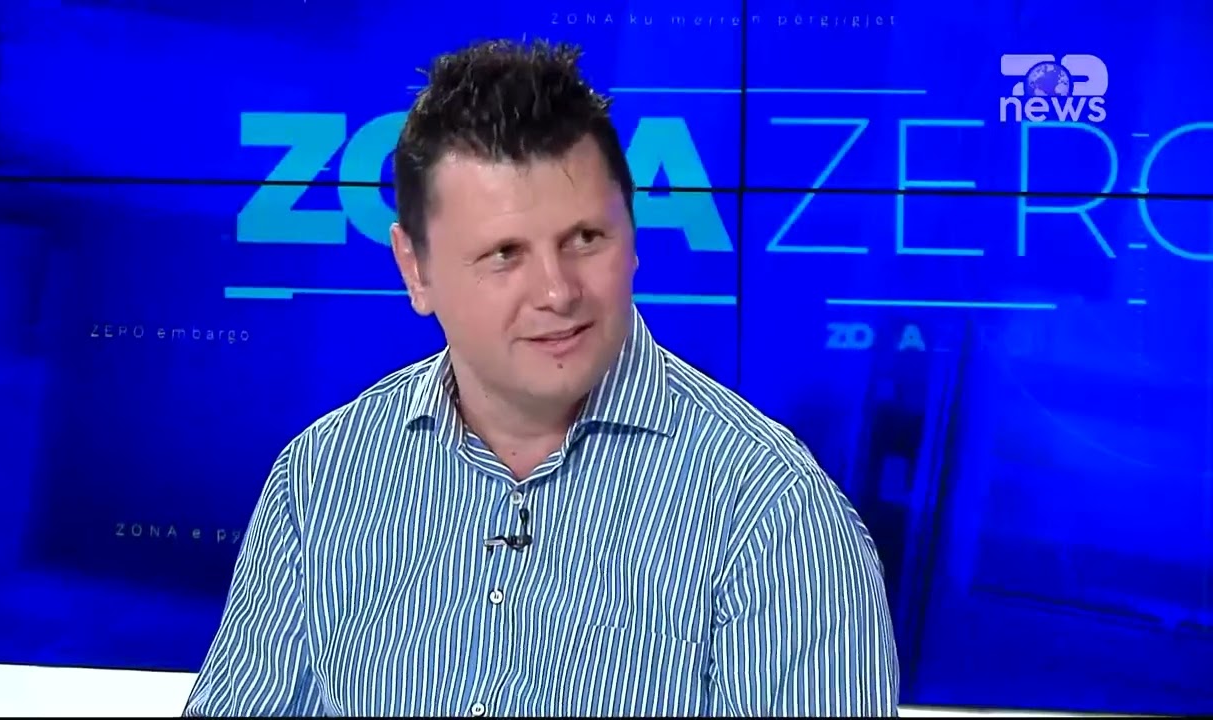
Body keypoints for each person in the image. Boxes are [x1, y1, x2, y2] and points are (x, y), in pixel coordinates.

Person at [183, 38, 899, 717]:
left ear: (632, 238)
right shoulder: (321, 479)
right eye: (505, 254)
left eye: (585, 239)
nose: (558, 292)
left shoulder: (772, 513)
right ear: (415, 269)